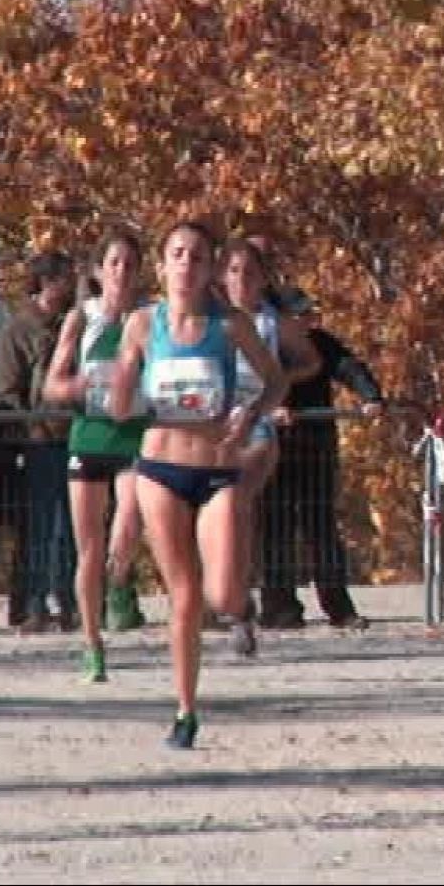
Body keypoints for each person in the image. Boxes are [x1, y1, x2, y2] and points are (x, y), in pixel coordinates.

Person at [107, 220, 287, 748]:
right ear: (161, 267)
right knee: (184, 598)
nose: (186, 264)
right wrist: (120, 391)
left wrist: (251, 411)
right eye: (177, 254)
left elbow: (275, 380)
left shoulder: (229, 325)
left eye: (197, 256)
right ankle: (185, 711)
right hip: (159, 471)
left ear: (210, 269)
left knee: (223, 592)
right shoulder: (142, 325)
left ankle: (242, 609)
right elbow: (119, 407)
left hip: (216, 470)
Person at [40, 230, 152, 682]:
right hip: (90, 437)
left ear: (139, 271)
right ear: (98, 270)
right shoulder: (80, 320)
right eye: (114, 263)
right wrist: (75, 386)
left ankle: (121, 578)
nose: (121, 271)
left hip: (136, 437)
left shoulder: (149, 319)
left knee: (127, 525)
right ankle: (92, 644)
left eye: (129, 263)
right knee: (88, 550)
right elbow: (51, 384)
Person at [216, 238, 320, 651]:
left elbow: (310, 360)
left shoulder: (271, 322)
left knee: (236, 506)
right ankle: (219, 597)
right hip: (209, 423)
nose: (242, 280)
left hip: (256, 422)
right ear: (222, 277)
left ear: (262, 279)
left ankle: (240, 607)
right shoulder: (209, 319)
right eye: (235, 271)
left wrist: (278, 387)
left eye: (251, 272)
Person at [258, 289, 380, 630]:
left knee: (322, 529)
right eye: (298, 315)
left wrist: (371, 396)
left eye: (308, 314)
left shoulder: (320, 343)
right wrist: (271, 409)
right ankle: (279, 607)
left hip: (316, 450)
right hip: (274, 452)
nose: (306, 321)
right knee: (276, 530)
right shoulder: (264, 345)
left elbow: (349, 367)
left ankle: (338, 607)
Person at [0, 251, 78, 632]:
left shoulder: (74, 324)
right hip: (39, 441)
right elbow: (8, 391)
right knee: (41, 525)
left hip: (76, 436)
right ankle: (32, 603)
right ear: (46, 282)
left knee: (73, 526)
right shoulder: (17, 330)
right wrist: (33, 430)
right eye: (65, 277)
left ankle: (69, 602)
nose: (72, 283)